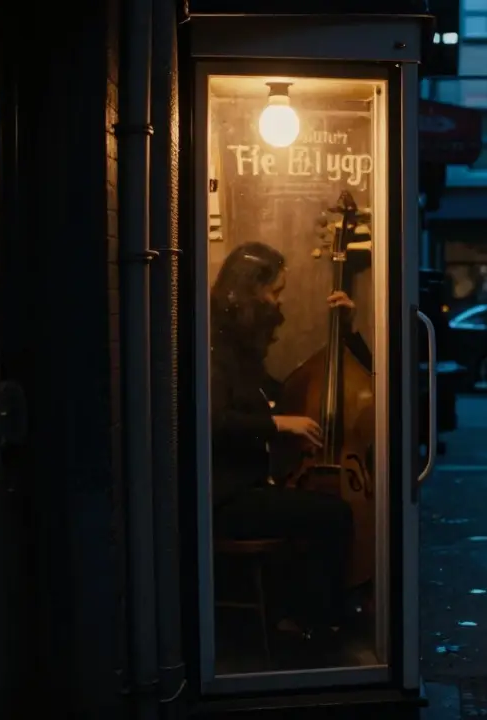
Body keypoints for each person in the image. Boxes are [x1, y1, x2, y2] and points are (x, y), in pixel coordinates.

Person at [209, 241, 358, 645]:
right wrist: (279, 423)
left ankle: (298, 614)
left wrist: (345, 332)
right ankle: (317, 622)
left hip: (243, 488)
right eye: (275, 291)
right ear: (252, 288)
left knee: (316, 511)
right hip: (223, 499)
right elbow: (215, 420)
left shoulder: (236, 347)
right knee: (333, 514)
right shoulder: (215, 347)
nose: (278, 301)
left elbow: (279, 392)